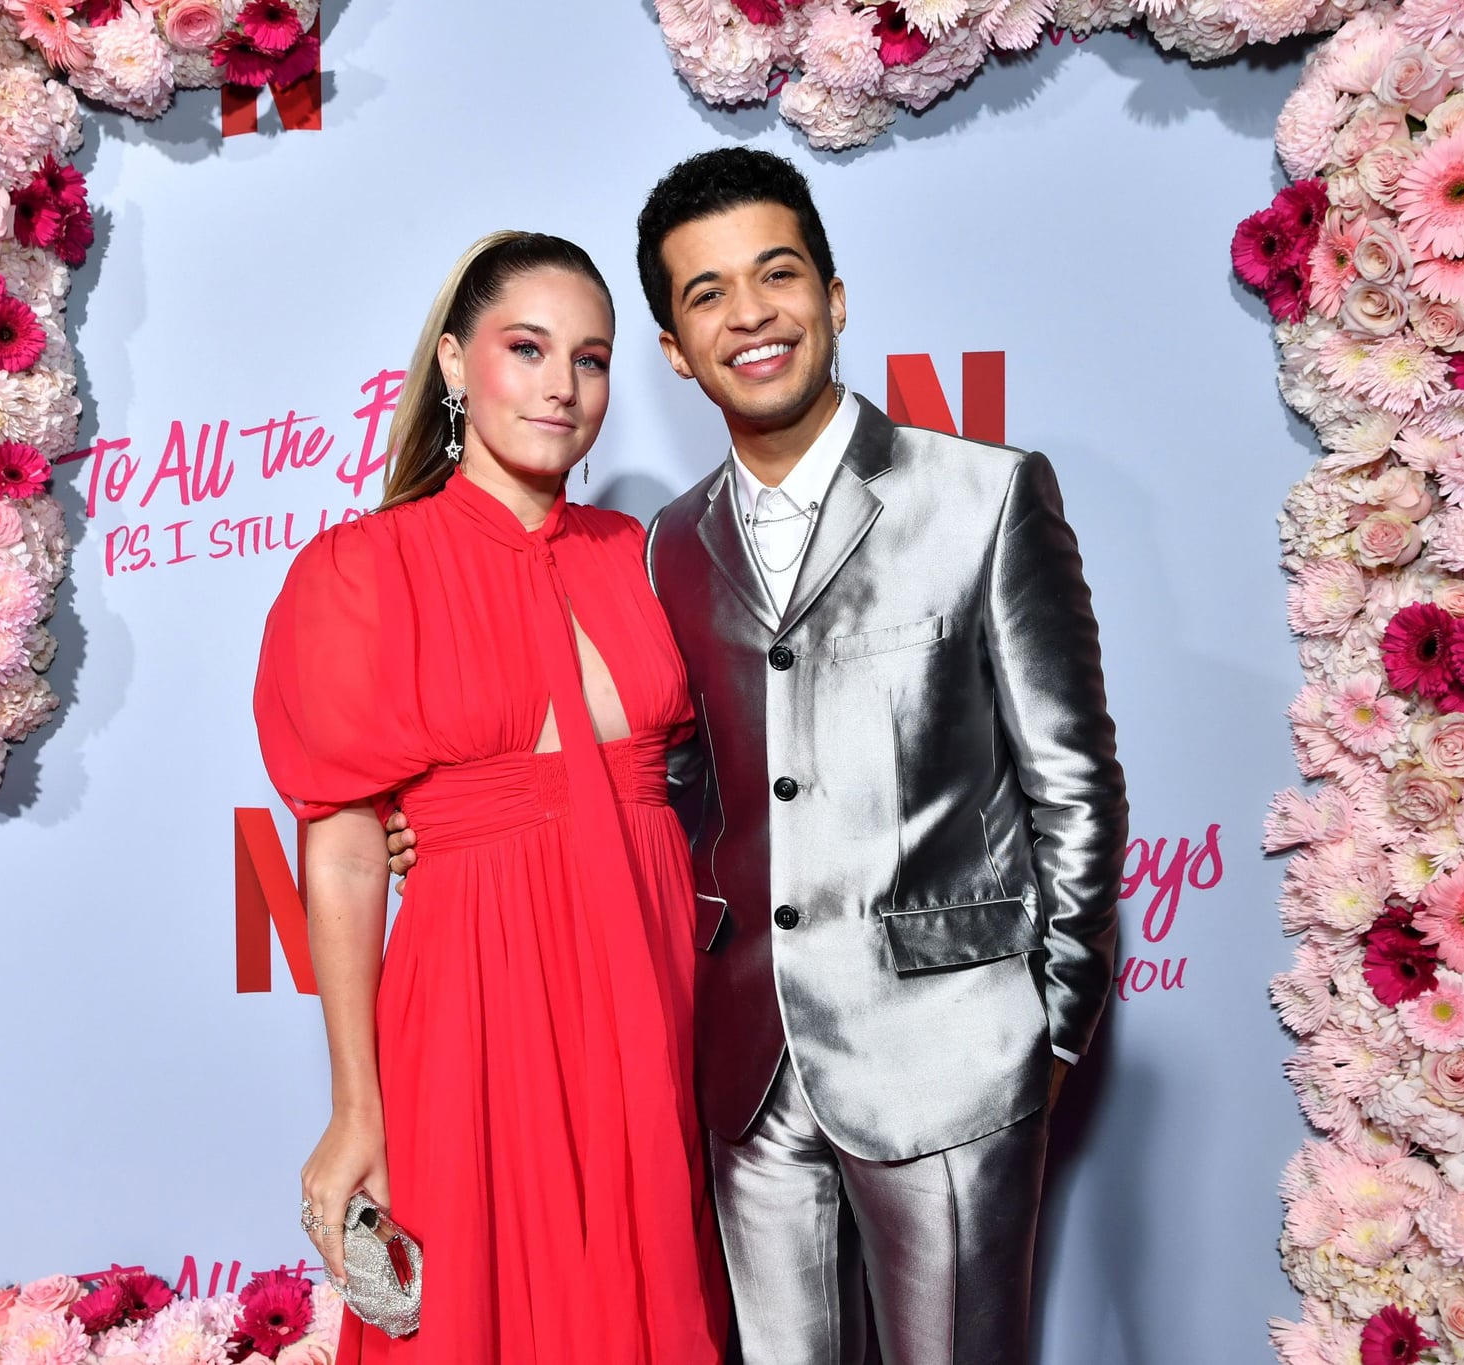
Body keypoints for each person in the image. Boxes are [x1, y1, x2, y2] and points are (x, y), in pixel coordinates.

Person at [391, 149, 1128, 1365]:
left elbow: (1072, 782)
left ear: (833, 298)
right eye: (705, 294)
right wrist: (448, 816)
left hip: (947, 1054)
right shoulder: (664, 548)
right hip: (739, 1070)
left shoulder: (983, 495)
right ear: (676, 352)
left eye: (776, 275)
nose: (749, 314)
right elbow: (650, 775)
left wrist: (1047, 1029)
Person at [253, 230, 727, 1364]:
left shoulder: (646, 555)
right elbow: (347, 851)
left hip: (657, 997)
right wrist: (355, 1104)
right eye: (528, 347)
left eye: (593, 358)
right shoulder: (364, 568)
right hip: (472, 1001)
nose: (563, 385)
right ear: (457, 365)